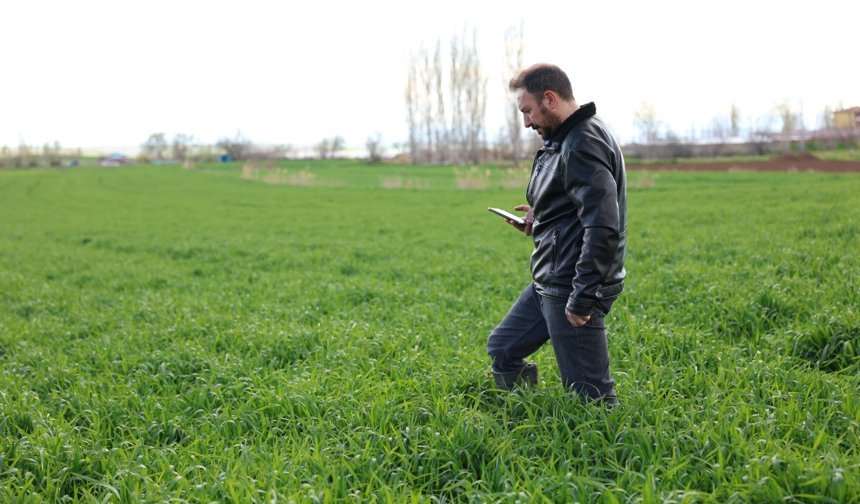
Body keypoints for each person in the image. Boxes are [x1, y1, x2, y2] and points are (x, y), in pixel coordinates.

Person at [487, 63, 627, 405]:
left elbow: (603, 226)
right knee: (503, 347)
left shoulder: (582, 143)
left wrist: (582, 298)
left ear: (549, 99)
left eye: (528, 111)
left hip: (571, 284)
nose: (527, 122)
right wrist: (541, 217)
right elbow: (575, 205)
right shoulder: (564, 137)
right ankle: (520, 414)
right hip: (550, 279)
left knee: (590, 399)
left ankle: (599, 452)